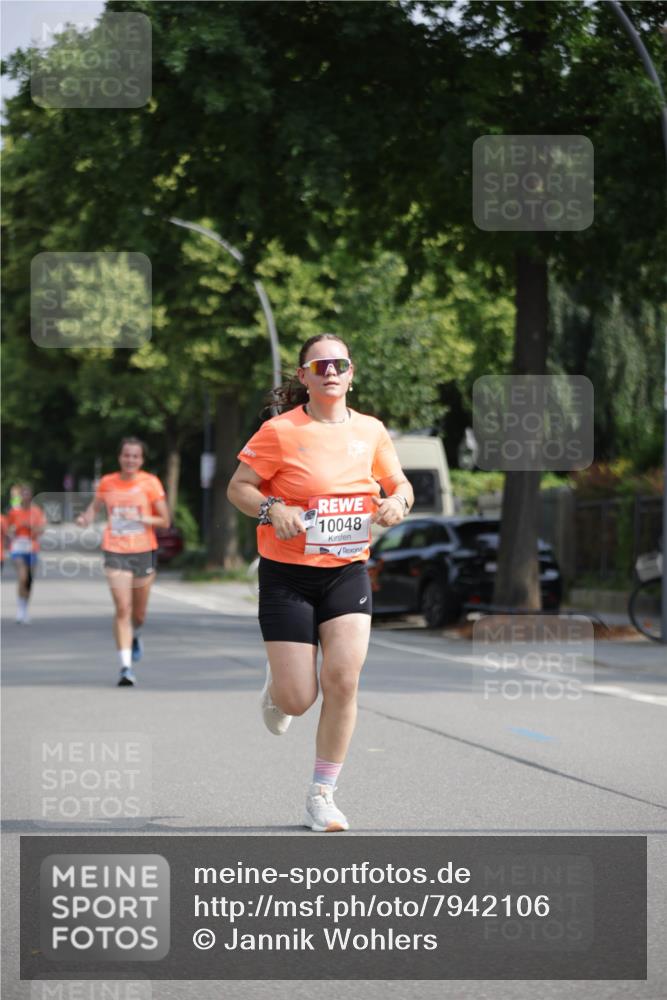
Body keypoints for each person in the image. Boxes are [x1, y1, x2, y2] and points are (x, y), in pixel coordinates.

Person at [227, 333, 414, 832]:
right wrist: (272, 508)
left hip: (347, 571)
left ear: (351, 374)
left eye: (341, 363)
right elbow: (239, 488)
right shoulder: (280, 431)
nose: (331, 371)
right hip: (287, 576)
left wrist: (397, 503)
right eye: (321, 364)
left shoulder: (372, 431)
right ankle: (278, 687)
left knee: (344, 679)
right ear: (304, 376)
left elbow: (399, 484)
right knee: (297, 700)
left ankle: (322, 794)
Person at [77, 437, 170, 687]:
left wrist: (142, 518)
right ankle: (126, 667)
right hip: (115, 549)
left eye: (135, 456)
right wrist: (85, 519)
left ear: (141, 460)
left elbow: (165, 520)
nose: (130, 460)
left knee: (138, 613)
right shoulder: (107, 482)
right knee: (122, 608)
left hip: (143, 550)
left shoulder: (150, 483)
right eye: (126, 455)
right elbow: (93, 510)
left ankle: (136, 633)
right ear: (119, 458)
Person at [6, 484, 46, 624]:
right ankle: (20, 609)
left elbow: (42, 529)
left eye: (28, 494)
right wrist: (14, 529)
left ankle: (25, 608)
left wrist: (32, 527)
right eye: (23, 494)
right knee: (22, 577)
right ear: (20, 496)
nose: (25, 497)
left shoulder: (36, 512)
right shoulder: (13, 512)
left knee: (28, 580)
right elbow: (8, 530)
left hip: (32, 547)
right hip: (17, 547)